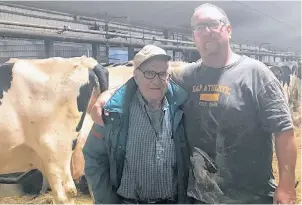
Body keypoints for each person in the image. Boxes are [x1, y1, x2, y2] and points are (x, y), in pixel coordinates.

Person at [90, 3, 297, 204]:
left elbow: (284, 131)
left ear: (228, 29)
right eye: (199, 27)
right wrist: (108, 94)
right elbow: (148, 80)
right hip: (199, 196)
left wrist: (286, 186)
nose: (206, 31)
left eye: (212, 24)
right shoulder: (186, 76)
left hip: (250, 197)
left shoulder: (256, 74)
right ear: (194, 36)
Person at [83, 44, 190, 204]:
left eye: (162, 74)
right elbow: (94, 157)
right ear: (136, 76)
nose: (156, 80)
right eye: (149, 73)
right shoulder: (113, 113)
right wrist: (106, 201)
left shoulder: (181, 107)